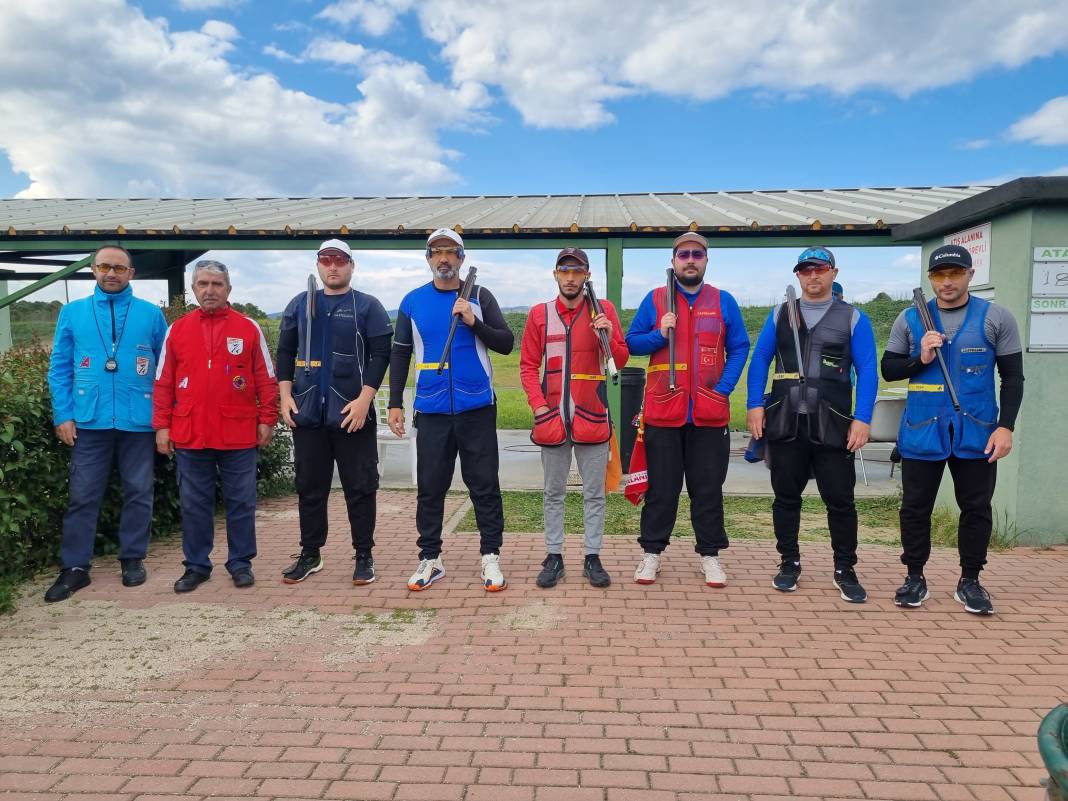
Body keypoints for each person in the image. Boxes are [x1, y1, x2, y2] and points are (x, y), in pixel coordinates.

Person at [881, 244, 1024, 615]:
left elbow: (1012, 378)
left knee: (976, 508)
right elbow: (889, 369)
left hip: (977, 432)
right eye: (939, 275)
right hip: (922, 430)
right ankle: (915, 577)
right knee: (914, 508)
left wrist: (1005, 427)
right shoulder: (910, 318)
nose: (947, 282)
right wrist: (920, 357)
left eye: (955, 274)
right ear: (930, 278)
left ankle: (970, 580)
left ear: (970, 275)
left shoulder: (997, 318)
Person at [745, 247, 878, 603]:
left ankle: (845, 568)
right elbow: (760, 360)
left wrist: (862, 418)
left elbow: (867, 370)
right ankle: (789, 562)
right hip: (785, 421)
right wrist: (754, 405)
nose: (813, 276)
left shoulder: (853, 319)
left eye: (819, 269)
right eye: (805, 270)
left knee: (841, 500)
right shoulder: (780, 315)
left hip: (834, 424)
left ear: (833, 272)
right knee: (786, 498)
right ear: (798, 276)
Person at [388, 228, 514, 592]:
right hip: (431, 409)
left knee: (485, 485)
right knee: (430, 487)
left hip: (476, 407)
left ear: (462, 258)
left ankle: (490, 556)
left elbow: (506, 343)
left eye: (451, 252)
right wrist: (396, 401)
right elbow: (399, 353)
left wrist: (475, 321)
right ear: (428, 259)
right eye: (436, 252)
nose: (443, 258)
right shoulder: (412, 301)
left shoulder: (480, 296)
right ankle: (430, 558)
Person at [625, 232, 750, 587]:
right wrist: (658, 334)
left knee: (707, 488)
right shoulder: (655, 300)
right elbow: (632, 343)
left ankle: (710, 556)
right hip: (664, 411)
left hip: (709, 414)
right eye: (684, 254)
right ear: (674, 260)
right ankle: (651, 554)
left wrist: (723, 389)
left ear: (706, 260)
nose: (690, 259)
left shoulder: (723, 301)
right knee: (662, 489)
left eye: (697, 254)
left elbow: (740, 347)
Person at [44, 244, 168, 602]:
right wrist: (62, 414)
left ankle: (132, 558)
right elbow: (60, 368)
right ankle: (75, 567)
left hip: (138, 419)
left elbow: (164, 371)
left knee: (139, 493)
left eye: (118, 268)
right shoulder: (72, 313)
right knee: (82, 495)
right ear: (94, 271)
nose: (110, 273)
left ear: (131, 274)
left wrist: (163, 421)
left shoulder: (150, 315)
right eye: (104, 267)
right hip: (89, 420)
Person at [153, 260, 278, 592]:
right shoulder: (176, 330)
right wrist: (162, 426)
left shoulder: (248, 328)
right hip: (191, 433)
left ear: (228, 289)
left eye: (217, 284)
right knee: (194, 504)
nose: (210, 290)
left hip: (238, 434)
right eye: (203, 284)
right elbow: (163, 382)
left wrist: (267, 418)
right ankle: (196, 565)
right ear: (194, 289)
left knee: (241, 502)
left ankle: (240, 563)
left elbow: (266, 378)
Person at [275, 240, 392, 586]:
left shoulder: (366, 306)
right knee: (310, 487)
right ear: (318, 265)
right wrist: (285, 397)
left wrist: (364, 400)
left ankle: (364, 555)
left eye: (339, 260)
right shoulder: (300, 304)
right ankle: (311, 554)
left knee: (361, 487)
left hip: (351, 413)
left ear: (351, 265)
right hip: (308, 413)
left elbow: (380, 355)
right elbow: (284, 352)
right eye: (326, 260)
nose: (333, 267)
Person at [519, 247, 629, 588]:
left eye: (576, 271)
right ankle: (554, 556)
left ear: (587, 275)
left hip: (592, 416)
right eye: (564, 271)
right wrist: (538, 406)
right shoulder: (540, 314)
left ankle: (592, 557)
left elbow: (619, 362)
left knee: (594, 493)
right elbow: (526, 366)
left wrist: (607, 335)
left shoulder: (604, 310)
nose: (570, 277)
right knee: (553, 493)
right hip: (552, 420)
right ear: (556, 274)